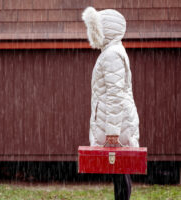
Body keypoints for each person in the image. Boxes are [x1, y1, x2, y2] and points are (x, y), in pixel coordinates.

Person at [82, 7, 140, 200]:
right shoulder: (113, 51)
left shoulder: (111, 55)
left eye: (95, 29)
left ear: (105, 30)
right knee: (120, 170)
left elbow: (115, 94)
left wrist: (113, 132)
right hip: (118, 120)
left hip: (117, 123)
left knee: (120, 170)